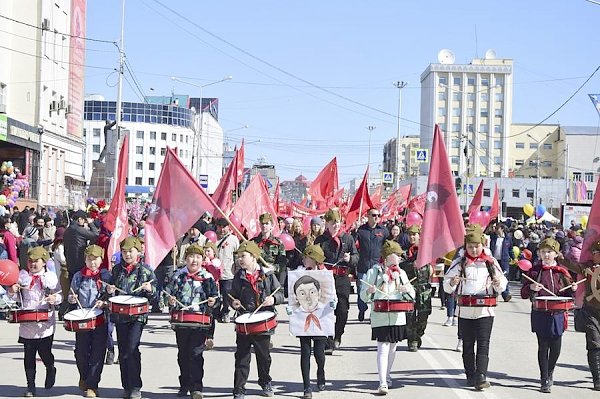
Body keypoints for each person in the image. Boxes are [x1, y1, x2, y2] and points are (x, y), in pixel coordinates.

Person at [444, 225, 507, 391]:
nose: (473, 249)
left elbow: (502, 284)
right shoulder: (459, 263)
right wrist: (452, 282)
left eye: (476, 246)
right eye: (470, 247)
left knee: (484, 344)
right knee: (468, 345)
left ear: (483, 245)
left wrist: (498, 283)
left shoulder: (490, 262)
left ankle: (481, 376)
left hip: (485, 311)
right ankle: (470, 374)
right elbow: (446, 286)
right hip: (464, 311)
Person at [360, 240, 415, 395]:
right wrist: (369, 291)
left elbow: (412, 295)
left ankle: (388, 374)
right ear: (387, 257)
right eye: (396, 255)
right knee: (382, 347)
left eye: (399, 255)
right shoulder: (373, 272)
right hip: (380, 315)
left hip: (397, 316)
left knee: (393, 347)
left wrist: (406, 289)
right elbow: (363, 296)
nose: (399, 258)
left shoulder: (402, 273)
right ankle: (382, 382)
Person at [230, 241, 284, 399]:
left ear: (254, 257)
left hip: (263, 321)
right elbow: (231, 296)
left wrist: (273, 300)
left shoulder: (267, 274)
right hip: (245, 320)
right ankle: (239, 388)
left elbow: (280, 293)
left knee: (264, 356)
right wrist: (234, 302)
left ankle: (265, 381)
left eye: (243, 256)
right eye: (239, 257)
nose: (240, 259)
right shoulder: (238, 277)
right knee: (242, 357)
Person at [166, 244, 219, 399]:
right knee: (183, 354)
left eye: (197, 257)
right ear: (185, 259)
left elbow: (216, 298)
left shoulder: (208, 278)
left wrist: (212, 302)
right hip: (182, 322)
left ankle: (196, 387)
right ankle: (184, 385)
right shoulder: (178, 275)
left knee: (196, 354)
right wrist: (170, 300)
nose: (194, 260)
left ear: (202, 260)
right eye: (191, 257)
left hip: (199, 323)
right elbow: (167, 292)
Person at [7, 247, 62, 397]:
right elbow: (15, 298)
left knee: (45, 353)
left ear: (44, 262)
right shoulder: (22, 276)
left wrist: (54, 299)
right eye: (30, 261)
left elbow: (59, 295)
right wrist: (12, 291)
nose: (32, 264)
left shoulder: (50, 277)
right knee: (28, 355)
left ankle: (50, 368)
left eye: (36, 261)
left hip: (45, 323)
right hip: (27, 322)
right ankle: (30, 386)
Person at [106, 237, 157, 399]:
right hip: (120, 315)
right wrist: (109, 290)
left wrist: (150, 290)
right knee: (123, 351)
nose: (127, 254)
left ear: (138, 252)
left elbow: (157, 295)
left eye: (130, 251)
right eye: (124, 252)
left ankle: (136, 386)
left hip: (138, 316)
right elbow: (109, 290)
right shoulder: (116, 270)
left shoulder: (146, 270)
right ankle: (126, 386)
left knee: (132, 349)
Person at [520, 238, 574, 393]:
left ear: (556, 254)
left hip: (558, 313)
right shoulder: (535, 271)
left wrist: (574, 288)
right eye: (543, 252)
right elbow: (524, 293)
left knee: (556, 347)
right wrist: (531, 286)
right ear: (539, 253)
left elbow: (569, 291)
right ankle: (544, 378)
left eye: (549, 252)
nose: (546, 255)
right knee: (543, 346)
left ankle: (550, 371)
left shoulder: (562, 272)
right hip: (540, 313)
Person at [288, 245, 335, 399]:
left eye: (306, 256)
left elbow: (331, 294)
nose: (303, 259)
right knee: (305, 352)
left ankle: (320, 372)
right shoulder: (299, 273)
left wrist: (333, 302)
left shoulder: (325, 275)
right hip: (303, 318)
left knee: (319, 353)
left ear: (314, 259)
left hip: (320, 317)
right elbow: (292, 292)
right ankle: (306, 386)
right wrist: (291, 307)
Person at [68, 245, 112, 398]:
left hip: (101, 319)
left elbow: (111, 297)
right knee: (80, 352)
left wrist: (105, 302)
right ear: (85, 260)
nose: (92, 263)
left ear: (101, 260)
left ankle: (93, 385)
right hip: (82, 319)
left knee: (98, 353)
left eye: (95, 260)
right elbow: (71, 294)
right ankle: (83, 376)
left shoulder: (106, 276)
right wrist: (72, 299)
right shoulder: (78, 276)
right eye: (89, 259)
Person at [314, 208, 358, 353]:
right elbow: (313, 257)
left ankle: (338, 335)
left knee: (342, 311)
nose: (336, 225)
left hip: (342, 279)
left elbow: (357, 257)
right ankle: (328, 341)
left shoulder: (347, 238)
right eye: (333, 223)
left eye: (338, 222)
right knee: (325, 310)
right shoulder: (320, 240)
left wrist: (350, 259)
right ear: (326, 224)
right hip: (325, 279)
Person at [561, 239, 600, 390]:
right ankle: (597, 379)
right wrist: (560, 258)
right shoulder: (588, 268)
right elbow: (573, 266)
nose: (596, 255)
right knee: (594, 344)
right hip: (591, 310)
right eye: (596, 253)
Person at [399, 225, 433, 352]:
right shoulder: (404, 251)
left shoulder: (426, 251)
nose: (412, 237)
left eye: (415, 234)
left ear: (419, 235)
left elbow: (433, 265)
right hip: (410, 288)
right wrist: (411, 264)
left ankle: (418, 334)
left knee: (424, 315)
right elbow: (400, 264)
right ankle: (412, 340)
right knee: (410, 315)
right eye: (410, 234)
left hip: (424, 288)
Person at [62, 210, 99, 318]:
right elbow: (95, 235)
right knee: (79, 290)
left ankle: (68, 312)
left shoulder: (67, 230)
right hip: (80, 263)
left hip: (70, 262)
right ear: (80, 219)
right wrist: (91, 223)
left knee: (72, 290)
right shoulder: (78, 229)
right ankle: (75, 312)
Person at [355, 208, 389, 322]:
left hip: (377, 267)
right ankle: (362, 309)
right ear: (368, 216)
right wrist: (354, 230)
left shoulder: (383, 231)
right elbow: (353, 244)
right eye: (374, 215)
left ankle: (373, 312)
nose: (376, 217)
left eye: (378, 215)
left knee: (376, 290)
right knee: (361, 290)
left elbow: (388, 246)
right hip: (363, 265)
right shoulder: (361, 230)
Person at [252, 213, 287, 288]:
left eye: (267, 224)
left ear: (272, 225)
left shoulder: (278, 243)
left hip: (272, 278)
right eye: (262, 224)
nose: (264, 226)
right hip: (256, 279)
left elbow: (282, 264)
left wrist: (274, 268)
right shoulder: (253, 243)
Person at [215, 217, 240, 323]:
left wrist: (238, 270)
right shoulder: (213, 238)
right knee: (215, 294)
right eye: (220, 227)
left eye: (224, 227)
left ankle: (225, 311)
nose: (222, 229)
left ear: (228, 227)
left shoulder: (233, 239)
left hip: (228, 272)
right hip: (214, 273)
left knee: (227, 295)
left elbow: (237, 255)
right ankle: (216, 313)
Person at [489, 223, 514, 301]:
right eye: (495, 228)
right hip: (494, 260)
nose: (495, 230)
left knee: (504, 277)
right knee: (493, 276)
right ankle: (494, 293)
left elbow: (510, 249)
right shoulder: (492, 237)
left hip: (504, 261)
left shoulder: (507, 238)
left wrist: (513, 257)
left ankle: (506, 294)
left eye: (497, 228)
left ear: (502, 229)